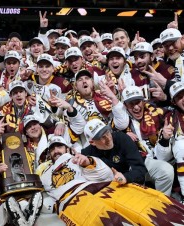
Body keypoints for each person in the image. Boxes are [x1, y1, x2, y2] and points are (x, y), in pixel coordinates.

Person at [38, 134, 184, 225]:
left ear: (68, 148)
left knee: (153, 210)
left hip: (103, 188)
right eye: (52, 148)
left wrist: (89, 162)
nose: (56, 150)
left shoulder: (77, 158)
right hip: (74, 200)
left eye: (59, 146)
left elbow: (104, 175)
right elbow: (45, 196)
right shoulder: (43, 172)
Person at [120, 86, 174, 195]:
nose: (136, 107)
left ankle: (162, 204)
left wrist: (165, 139)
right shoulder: (120, 122)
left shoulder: (158, 114)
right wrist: (123, 136)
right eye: (131, 103)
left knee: (166, 170)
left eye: (138, 102)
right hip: (135, 164)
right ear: (125, 105)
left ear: (144, 101)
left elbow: (163, 158)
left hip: (159, 159)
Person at [82, 118, 147, 185]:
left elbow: (140, 169)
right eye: (102, 137)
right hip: (112, 183)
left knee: (157, 167)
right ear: (92, 142)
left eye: (107, 132)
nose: (109, 138)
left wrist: (126, 177)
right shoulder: (87, 154)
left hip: (134, 169)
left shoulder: (122, 138)